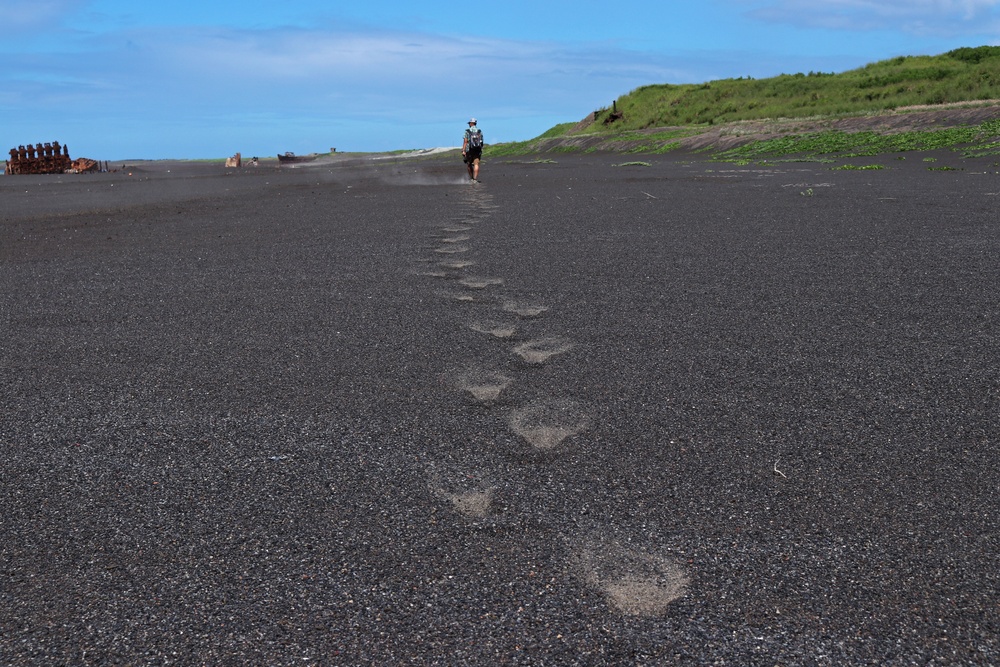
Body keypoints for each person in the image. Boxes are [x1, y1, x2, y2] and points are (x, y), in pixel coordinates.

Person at [462, 118, 483, 182]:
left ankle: (471, 178)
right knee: (476, 164)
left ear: (471, 123)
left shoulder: (467, 131)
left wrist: (463, 150)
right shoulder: (479, 131)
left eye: (469, 123)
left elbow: (465, 142)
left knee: (469, 164)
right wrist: (480, 149)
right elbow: (481, 142)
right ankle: (475, 179)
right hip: (477, 149)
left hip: (469, 150)